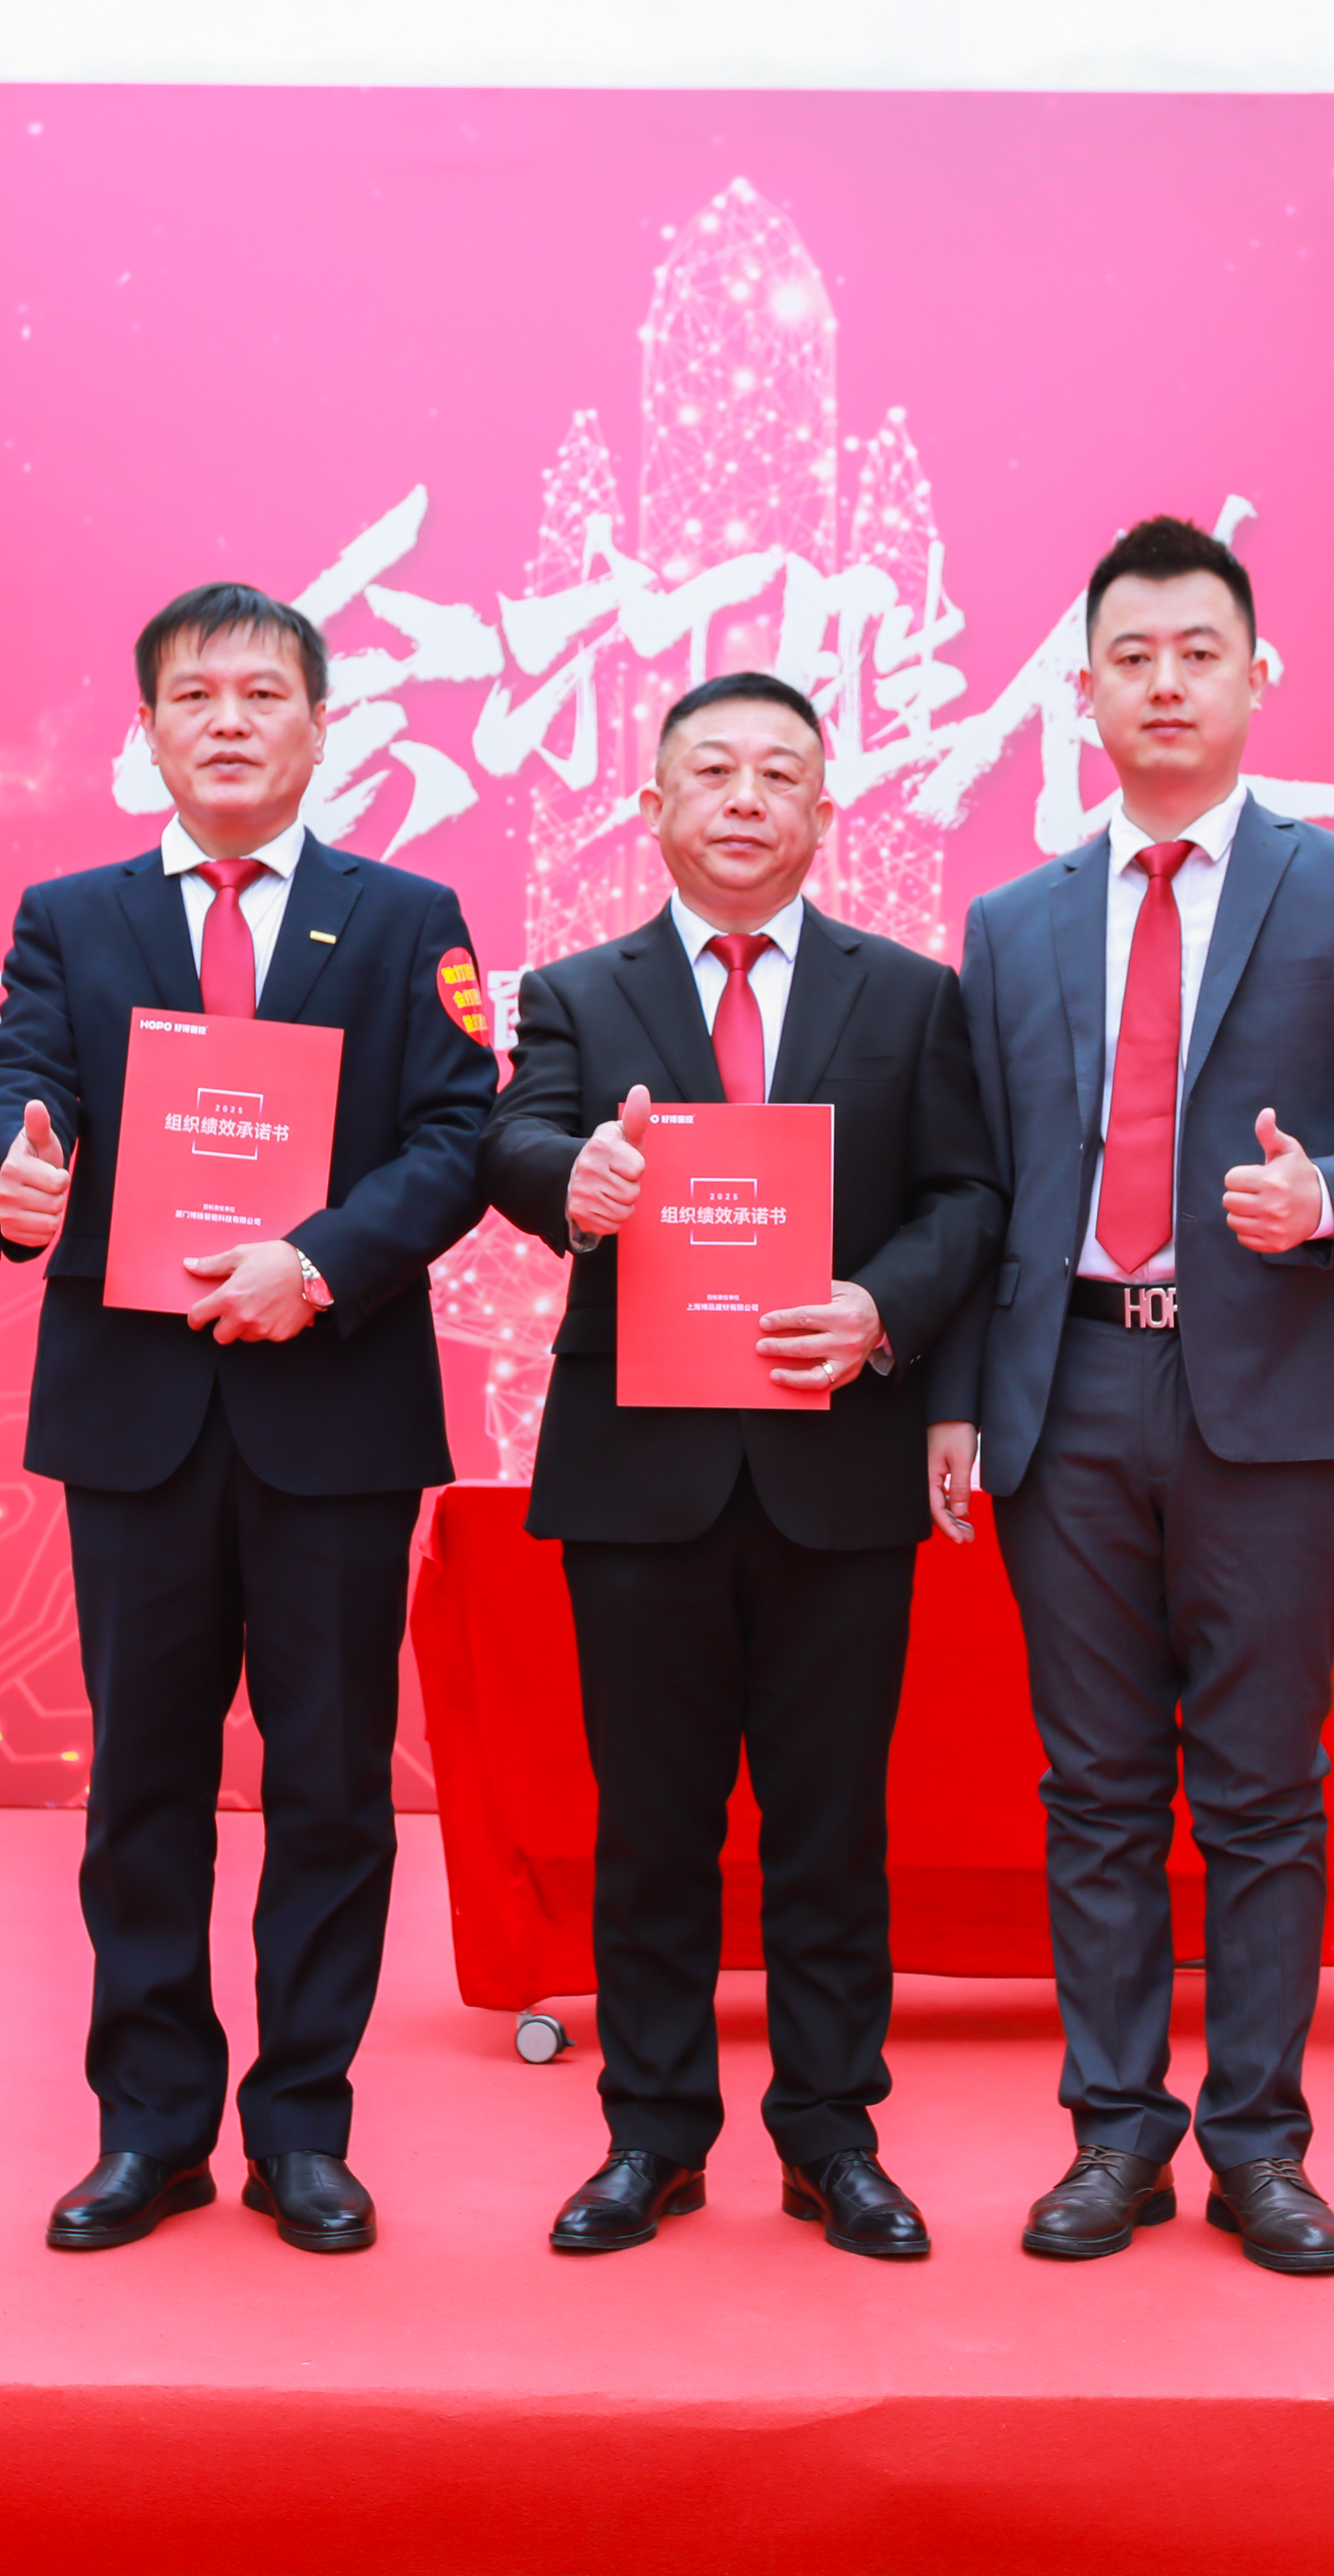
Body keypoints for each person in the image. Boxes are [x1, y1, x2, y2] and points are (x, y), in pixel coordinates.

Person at [924, 519, 1334, 2276]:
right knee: (1091, 1789)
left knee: (1262, 1789)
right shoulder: (1012, 925)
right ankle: (1114, 2139)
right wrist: (957, 1399)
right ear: (1083, 692)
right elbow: (982, 1188)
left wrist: (1331, 1198)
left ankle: (1258, 2145)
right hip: (1066, 1388)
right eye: (1133, 658)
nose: (1166, 684)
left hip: (1270, 1394)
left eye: (1199, 653)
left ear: (1256, 676)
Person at [0, 582, 494, 2257]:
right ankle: (151, 2130)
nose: (231, 721)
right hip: (137, 1417)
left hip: (333, 1416)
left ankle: (304, 2132)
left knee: (331, 1785)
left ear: (322, 727)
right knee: (145, 1784)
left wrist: (316, 1264)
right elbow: (14, 1082)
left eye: (266, 694)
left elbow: (459, 1136)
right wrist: (15, 1165)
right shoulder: (74, 917)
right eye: (195, 696)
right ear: (148, 734)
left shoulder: (405, 919)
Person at [480, 670, 1002, 2260]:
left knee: (830, 1825)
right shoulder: (580, 992)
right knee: (653, 1822)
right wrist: (580, 1176)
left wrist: (881, 1309)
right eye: (711, 771)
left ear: (825, 812)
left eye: (781, 773)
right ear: (653, 807)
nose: (745, 798)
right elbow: (513, 1141)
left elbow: (967, 1197)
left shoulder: (909, 995)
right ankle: (652, 2134)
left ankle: (833, 2135)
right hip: (641, 1474)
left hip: (837, 1468)